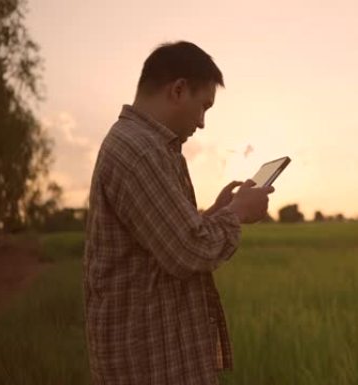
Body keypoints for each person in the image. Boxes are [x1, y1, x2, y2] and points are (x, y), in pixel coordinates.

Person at [84, 41, 273, 385]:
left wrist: (218, 212)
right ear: (179, 90)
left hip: (161, 357)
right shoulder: (141, 151)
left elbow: (166, 237)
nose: (202, 123)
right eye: (203, 107)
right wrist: (238, 214)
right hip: (150, 365)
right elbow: (189, 251)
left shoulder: (150, 146)